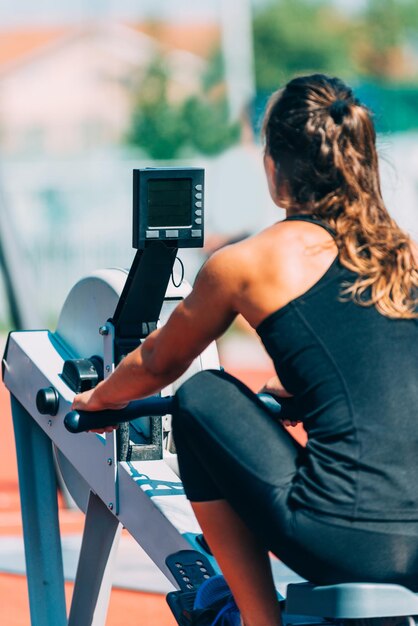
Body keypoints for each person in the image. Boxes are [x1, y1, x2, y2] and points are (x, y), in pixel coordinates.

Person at [73, 74, 418, 626]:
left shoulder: (249, 262)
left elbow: (160, 363)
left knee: (200, 399)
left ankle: (258, 619)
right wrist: (306, 390)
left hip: (341, 539)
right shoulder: (404, 254)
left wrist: (96, 401)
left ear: (274, 168)